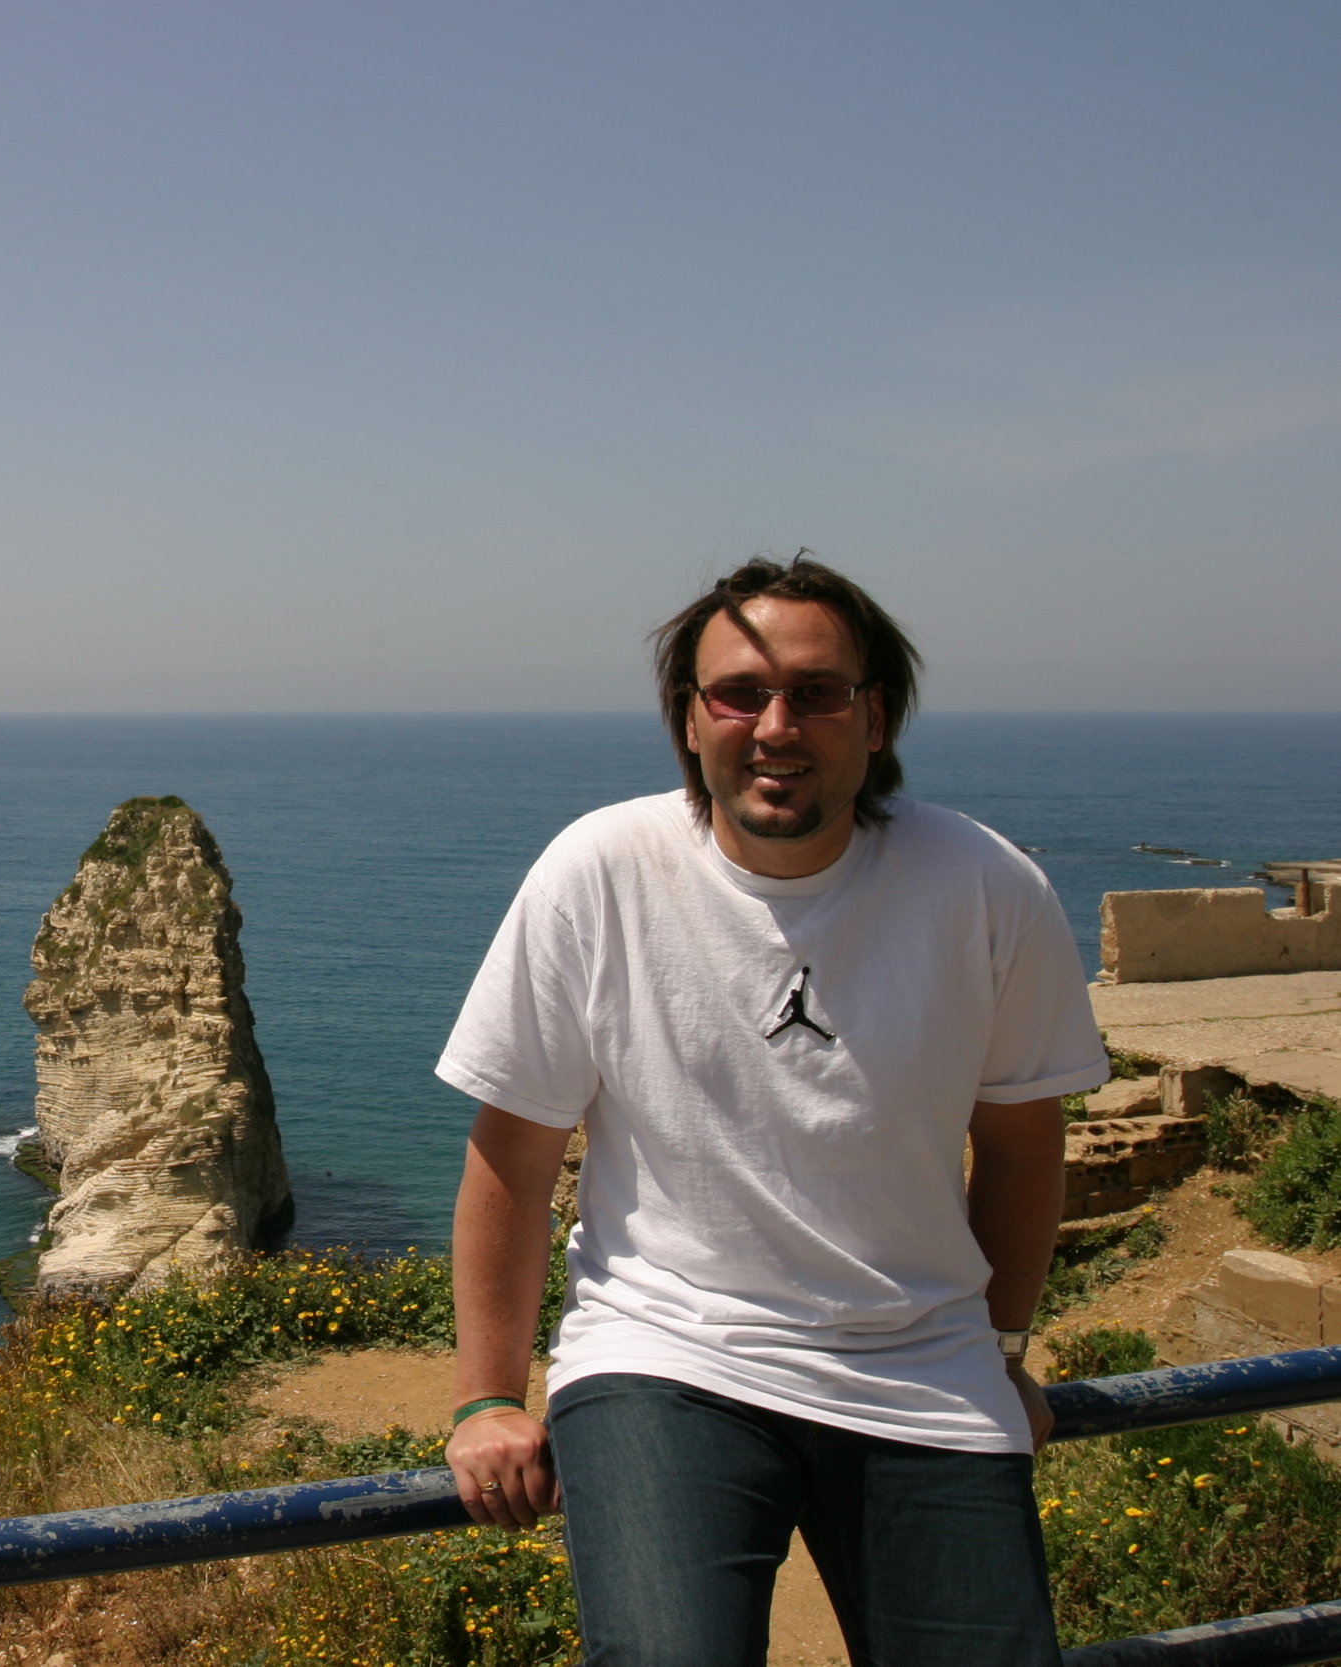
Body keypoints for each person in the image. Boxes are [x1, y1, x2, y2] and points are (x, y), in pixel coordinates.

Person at [437, 554, 1108, 1667]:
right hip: (666, 1352)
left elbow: (1025, 1144)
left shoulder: (986, 886)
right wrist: (483, 1398)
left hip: (921, 1365)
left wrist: (997, 1346)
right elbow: (514, 1146)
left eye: (817, 691)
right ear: (688, 721)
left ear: (875, 716)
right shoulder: (598, 870)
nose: (775, 724)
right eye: (738, 693)